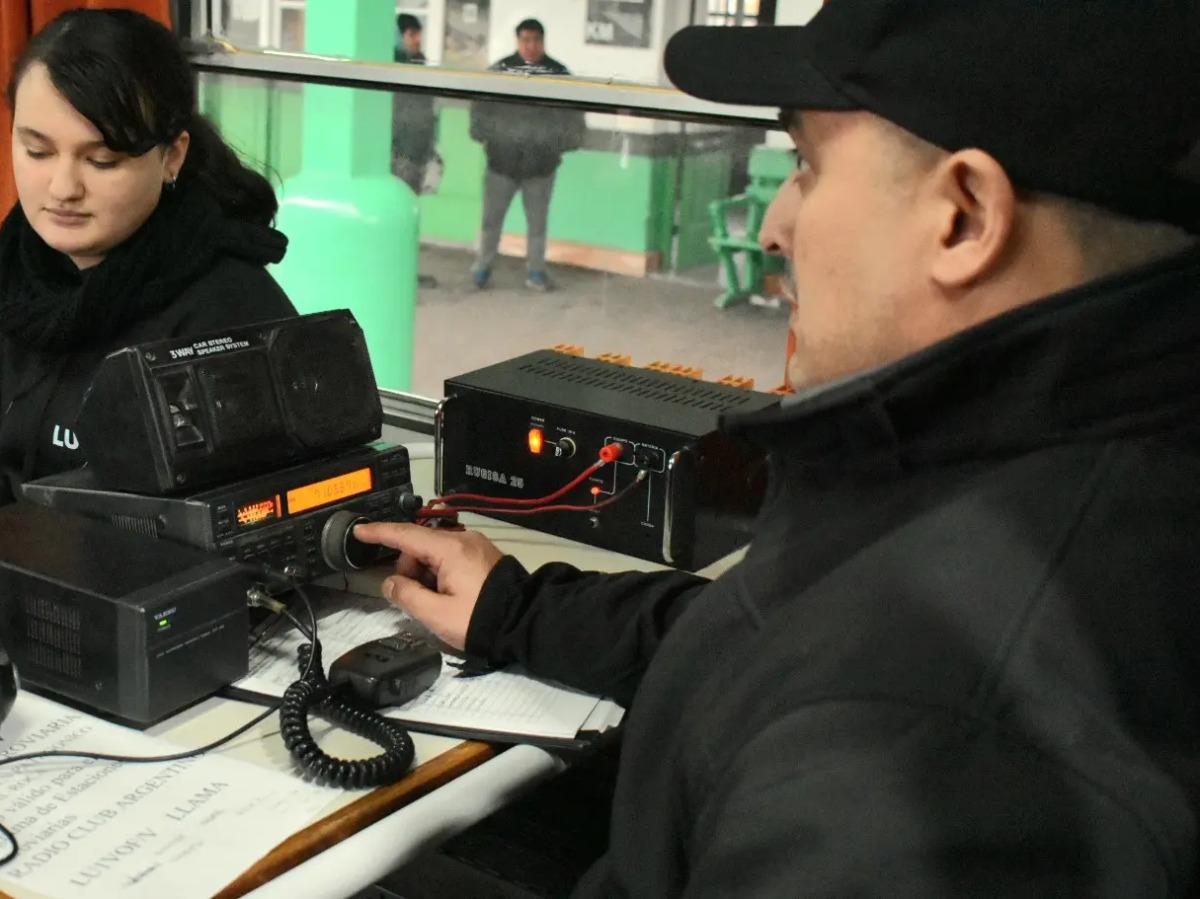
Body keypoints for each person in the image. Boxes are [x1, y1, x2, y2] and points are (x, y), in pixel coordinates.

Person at [357, 2, 1200, 895]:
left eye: (807, 165)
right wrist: (517, 609)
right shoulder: (1040, 476)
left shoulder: (928, 747)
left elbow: (855, 672)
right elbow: (780, 638)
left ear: (962, 217)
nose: (774, 226)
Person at [0, 9, 296, 523]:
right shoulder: (15, 264)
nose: (63, 188)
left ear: (172, 156)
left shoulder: (229, 311)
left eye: (102, 161)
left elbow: (234, 522)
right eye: (37, 151)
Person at [468, 18, 584, 292]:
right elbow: (480, 108)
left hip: (540, 166)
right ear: (518, 41)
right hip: (501, 162)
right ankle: (482, 267)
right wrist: (486, 136)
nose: (530, 46)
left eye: (535, 40)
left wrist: (558, 146)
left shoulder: (558, 74)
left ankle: (536, 272)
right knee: (490, 221)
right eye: (525, 40)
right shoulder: (500, 71)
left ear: (542, 42)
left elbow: (573, 117)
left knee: (537, 224)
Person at [390, 13, 436, 195]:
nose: (418, 40)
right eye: (412, 34)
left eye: (419, 34)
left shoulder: (420, 66)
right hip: (394, 151)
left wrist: (430, 149)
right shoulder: (387, 67)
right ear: (398, 36)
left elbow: (427, 110)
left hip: (416, 152)